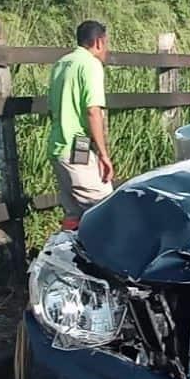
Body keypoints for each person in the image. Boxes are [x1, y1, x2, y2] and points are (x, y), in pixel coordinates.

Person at [47, 20, 115, 230]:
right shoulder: (90, 64)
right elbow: (92, 111)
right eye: (107, 43)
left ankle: (63, 256)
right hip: (79, 146)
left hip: (58, 146)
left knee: (73, 214)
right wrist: (104, 154)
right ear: (98, 42)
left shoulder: (61, 64)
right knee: (107, 209)